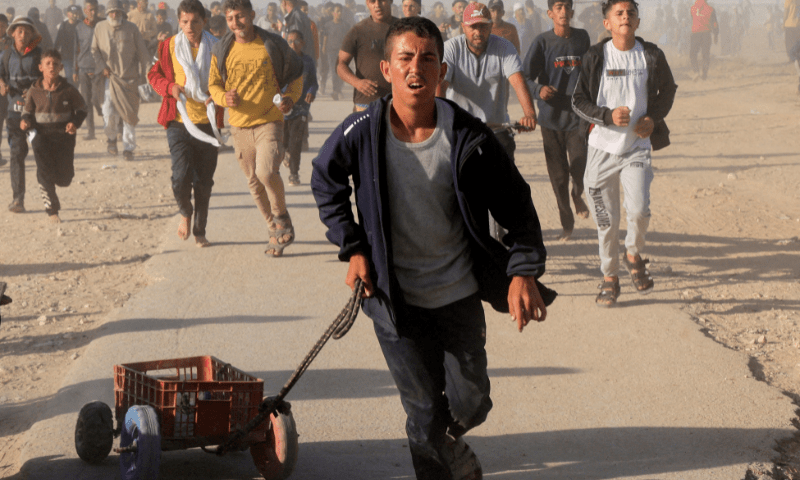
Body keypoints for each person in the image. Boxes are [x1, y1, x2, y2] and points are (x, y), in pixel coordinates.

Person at [311, 16, 552, 480]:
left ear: (443, 71)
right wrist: (353, 247)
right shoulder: (362, 130)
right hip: (394, 302)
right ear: (386, 69)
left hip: (457, 295)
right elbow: (326, 180)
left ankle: (443, 437)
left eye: (428, 59)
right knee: (422, 409)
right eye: (405, 58)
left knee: (472, 402)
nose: (415, 68)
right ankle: (434, 456)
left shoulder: (470, 137)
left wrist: (522, 271)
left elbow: (517, 206)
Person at [571, 0, 677, 307]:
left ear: (638, 21)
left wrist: (653, 117)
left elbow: (668, 90)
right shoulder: (595, 56)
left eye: (630, 13)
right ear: (607, 24)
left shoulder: (652, 55)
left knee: (640, 210)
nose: (625, 17)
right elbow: (578, 101)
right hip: (601, 150)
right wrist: (605, 116)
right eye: (618, 13)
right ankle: (610, 277)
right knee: (606, 222)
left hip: (636, 149)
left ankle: (633, 252)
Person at [209, 0, 304, 257]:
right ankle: (273, 229)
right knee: (253, 182)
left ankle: (281, 215)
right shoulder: (222, 48)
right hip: (239, 127)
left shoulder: (273, 44)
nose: (235, 23)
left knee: (265, 172)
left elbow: (296, 76)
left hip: (270, 121)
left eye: (240, 16)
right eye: (230, 18)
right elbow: (214, 85)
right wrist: (223, 98)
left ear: (252, 15)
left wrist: (290, 99)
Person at [148, 0, 223, 247]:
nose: (189, 27)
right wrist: (170, 87)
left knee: (204, 181)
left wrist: (219, 94)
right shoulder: (169, 46)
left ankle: (200, 231)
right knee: (180, 177)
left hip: (207, 123)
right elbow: (153, 75)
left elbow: (229, 79)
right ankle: (185, 212)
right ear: (178, 21)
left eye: (195, 21)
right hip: (179, 120)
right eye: (184, 22)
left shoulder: (218, 48)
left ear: (204, 22)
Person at [523, 0, 589, 242]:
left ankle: (578, 193)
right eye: (558, 8)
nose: (563, 12)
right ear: (550, 13)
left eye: (567, 7)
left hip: (578, 116)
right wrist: (538, 89)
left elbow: (591, 70)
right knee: (559, 176)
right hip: (550, 119)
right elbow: (525, 75)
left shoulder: (582, 38)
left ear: (573, 12)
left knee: (581, 162)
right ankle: (567, 223)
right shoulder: (542, 42)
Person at [20, 49, 87, 223]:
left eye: (55, 64)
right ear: (40, 67)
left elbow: (82, 110)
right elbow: (27, 112)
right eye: (48, 64)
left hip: (64, 136)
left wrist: (74, 123)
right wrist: (25, 122)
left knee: (65, 179)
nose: (52, 67)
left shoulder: (69, 90)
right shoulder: (33, 91)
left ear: (61, 68)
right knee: (44, 172)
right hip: (40, 135)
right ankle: (52, 210)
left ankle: (54, 178)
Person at [92, 0, 149, 160]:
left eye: (117, 12)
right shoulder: (100, 28)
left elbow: (143, 54)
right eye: (111, 12)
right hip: (110, 79)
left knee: (129, 116)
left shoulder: (132, 29)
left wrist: (147, 76)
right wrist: (102, 65)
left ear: (122, 13)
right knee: (108, 112)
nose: (114, 15)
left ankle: (128, 149)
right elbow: (94, 50)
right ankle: (111, 140)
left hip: (130, 80)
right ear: (107, 13)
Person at [0, 16, 44, 213]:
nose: (23, 35)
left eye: (26, 32)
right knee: (16, 153)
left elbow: (50, 78)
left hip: (37, 114)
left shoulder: (40, 55)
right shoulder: (7, 55)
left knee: (42, 153)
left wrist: (35, 90)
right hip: (14, 111)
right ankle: (18, 199)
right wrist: (2, 85)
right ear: (12, 34)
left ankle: (49, 197)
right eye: (19, 31)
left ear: (32, 34)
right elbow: (1, 74)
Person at [337, 0, 398, 112]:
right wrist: (357, 83)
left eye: (381, 1)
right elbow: (340, 64)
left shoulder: (403, 29)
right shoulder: (358, 30)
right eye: (372, 1)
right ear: (367, 3)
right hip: (365, 105)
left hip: (398, 104)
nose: (377, 5)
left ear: (390, 1)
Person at [282, 30, 316, 186]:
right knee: (283, 142)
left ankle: (294, 174)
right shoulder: (281, 60)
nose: (292, 44)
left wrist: (311, 91)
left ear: (302, 43)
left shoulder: (308, 61)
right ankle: (285, 153)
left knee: (296, 142)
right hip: (282, 108)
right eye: (289, 41)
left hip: (301, 107)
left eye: (296, 41)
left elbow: (314, 83)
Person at [74, 0, 103, 140]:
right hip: (84, 68)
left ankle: (112, 127)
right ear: (85, 11)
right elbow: (76, 50)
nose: (93, 12)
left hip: (100, 69)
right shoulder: (79, 27)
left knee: (98, 99)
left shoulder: (103, 25)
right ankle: (91, 132)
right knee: (86, 102)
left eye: (95, 9)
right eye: (90, 10)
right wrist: (75, 70)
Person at [320, 3, 348, 99]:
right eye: (337, 11)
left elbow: (348, 39)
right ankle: (335, 91)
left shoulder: (345, 25)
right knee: (333, 71)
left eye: (341, 11)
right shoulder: (328, 25)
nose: (339, 13)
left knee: (342, 71)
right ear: (333, 13)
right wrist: (323, 47)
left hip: (342, 52)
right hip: (331, 51)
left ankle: (338, 89)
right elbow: (325, 37)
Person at [689, 0, 718, 80]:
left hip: (695, 34)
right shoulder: (711, 9)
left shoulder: (692, 8)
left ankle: (696, 72)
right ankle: (704, 75)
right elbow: (714, 23)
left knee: (693, 54)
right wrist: (716, 35)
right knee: (705, 55)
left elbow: (693, 19)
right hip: (706, 34)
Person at [55, 5, 81, 86]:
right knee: (70, 78)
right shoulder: (63, 25)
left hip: (79, 57)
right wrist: (54, 54)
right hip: (67, 57)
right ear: (67, 14)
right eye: (72, 13)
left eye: (76, 13)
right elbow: (58, 41)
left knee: (78, 79)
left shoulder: (81, 25)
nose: (74, 15)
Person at [0, 14, 10, 168]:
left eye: (3, 26)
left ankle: (16, 152)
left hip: (10, 87)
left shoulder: (12, 42)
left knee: (12, 122)